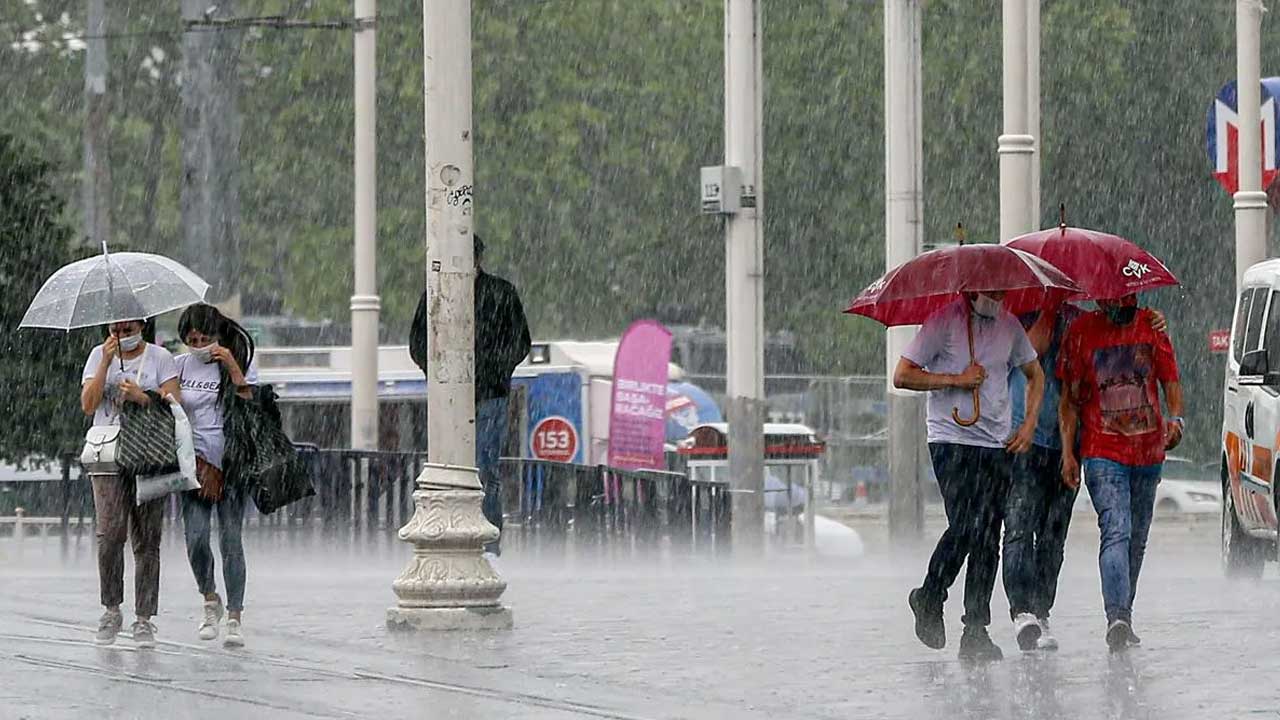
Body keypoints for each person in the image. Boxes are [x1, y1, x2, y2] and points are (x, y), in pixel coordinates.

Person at [1003, 303, 1168, 653]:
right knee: (1019, 527)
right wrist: (1047, 308)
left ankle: (1043, 610)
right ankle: (1022, 611)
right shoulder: (1015, 315)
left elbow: (1079, 389)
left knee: (1052, 536)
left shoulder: (1081, 322)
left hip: (1070, 442)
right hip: (1024, 440)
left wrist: (1152, 322)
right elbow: (1031, 353)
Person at [895, 291, 1044, 662]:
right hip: (951, 439)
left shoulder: (1009, 325)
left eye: (1001, 291)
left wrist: (1028, 425)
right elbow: (903, 375)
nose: (996, 298)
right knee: (965, 526)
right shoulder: (943, 321)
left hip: (995, 444)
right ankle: (931, 594)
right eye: (989, 291)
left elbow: (1035, 374)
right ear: (971, 287)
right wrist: (955, 379)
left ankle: (975, 629)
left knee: (987, 536)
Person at [1058, 293, 1182, 652]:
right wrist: (1069, 453)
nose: (1122, 304)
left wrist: (1177, 420)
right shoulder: (1082, 332)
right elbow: (1069, 397)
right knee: (1116, 530)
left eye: (1128, 297)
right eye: (1113, 299)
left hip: (1148, 454)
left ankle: (1124, 614)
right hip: (1102, 452)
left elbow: (1170, 383)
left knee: (1136, 539)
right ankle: (1116, 617)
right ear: (1101, 300)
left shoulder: (1152, 327)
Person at [410, 234, 531, 554]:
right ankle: (473, 535)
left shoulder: (499, 293)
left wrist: (490, 371)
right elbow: (418, 343)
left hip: (487, 393)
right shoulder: (440, 294)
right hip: (463, 392)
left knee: (483, 466)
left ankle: (486, 539)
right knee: (465, 466)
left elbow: (520, 342)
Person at [80, 318, 181, 648]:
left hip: (150, 453)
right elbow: (88, 404)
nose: (121, 336)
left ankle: (144, 618)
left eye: (127, 329)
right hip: (108, 453)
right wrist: (106, 362)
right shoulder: (98, 355)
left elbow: (175, 404)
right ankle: (111, 608)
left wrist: (143, 397)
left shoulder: (159, 358)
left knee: (147, 538)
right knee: (109, 534)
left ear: (141, 326)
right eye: (115, 330)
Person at [174, 304, 258, 648]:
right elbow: (173, 408)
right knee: (195, 538)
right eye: (192, 339)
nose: (198, 345)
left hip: (232, 464)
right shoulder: (179, 366)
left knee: (230, 539)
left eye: (205, 338)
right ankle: (210, 599)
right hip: (194, 465)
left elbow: (253, 404)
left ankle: (235, 615)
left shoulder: (237, 363)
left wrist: (233, 368)